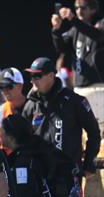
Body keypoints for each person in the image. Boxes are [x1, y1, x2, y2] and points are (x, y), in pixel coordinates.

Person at [21, 57, 101, 197]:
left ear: (51, 75)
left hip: (66, 173)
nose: (33, 80)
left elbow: (93, 133)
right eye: (31, 76)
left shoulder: (73, 101)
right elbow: (22, 140)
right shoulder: (30, 105)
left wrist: (88, 164)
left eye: (38, 75)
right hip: (37, 174)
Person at [52, 0, 104, 133]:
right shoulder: (74, 30)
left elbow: (96, 35)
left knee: (101, 128)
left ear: (93, 9)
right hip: (79, 88)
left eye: (83, 7)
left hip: (98, 87)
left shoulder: (101, 24)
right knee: (83, 131)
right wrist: (56, 30)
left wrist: (73, 19)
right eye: (76, 7)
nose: (79, 11)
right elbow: (62, 48)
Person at [0, 68, 27, 154]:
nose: (4, 91)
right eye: (1, 87)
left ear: (20, 86)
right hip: (8, 164)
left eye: (9, 86)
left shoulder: (35, 108)